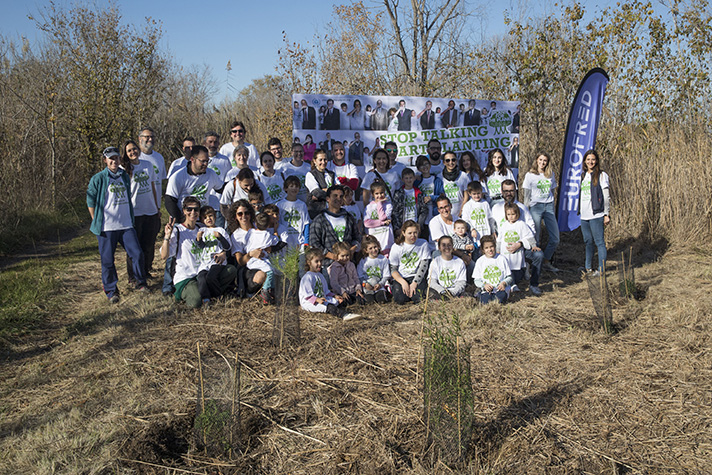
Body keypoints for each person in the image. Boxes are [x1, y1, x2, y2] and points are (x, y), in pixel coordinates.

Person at [87, 146, 148, 303]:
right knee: (107, 260)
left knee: (137, 254)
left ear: (120, 160)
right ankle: (111, 290)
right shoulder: (98, 178)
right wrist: (95, 219)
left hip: (126, 225)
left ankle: (140, 282)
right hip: (107, 227)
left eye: (116, 158)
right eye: (111, 158)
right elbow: (90, 199)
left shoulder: (124, 176)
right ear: (105, 160)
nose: (114, 161)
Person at [491, 180, 543, 295]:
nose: (509, 193)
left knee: (538, 255)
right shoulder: (496, 208)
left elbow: (531, 229)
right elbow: (492, 226)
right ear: (501, 192)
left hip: (521, 246)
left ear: (515, 191)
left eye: (511, 191)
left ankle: (534, 284)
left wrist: (520, 244)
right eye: (506, 191)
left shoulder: (522, 208)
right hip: (504, 249)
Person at [120, 139, 159, 284]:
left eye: (134, 149)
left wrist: (157, 207)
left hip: (150, 211)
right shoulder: (123, 169)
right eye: (129, 151)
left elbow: (153, 187)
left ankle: (145, 271)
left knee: (148, 244)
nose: (132, 152)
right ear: (125, 153)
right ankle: (133, 276)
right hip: (134, 213)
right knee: (134, 247)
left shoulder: (148, 165)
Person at [309, 185, 361, 274]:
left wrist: (352, 249)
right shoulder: (320, 219)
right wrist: (332, 256)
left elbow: (357, 237)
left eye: (341, 196)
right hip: (328, 266)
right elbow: (314, 243)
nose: (338, 199)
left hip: (348, 266)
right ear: (328, 199)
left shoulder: (349, 217)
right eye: (335, 196)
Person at [522, 152, 560, 272]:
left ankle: (546, 261)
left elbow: (552, 192)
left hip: (548, 207)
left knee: (555, 238)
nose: (542, 163)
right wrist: (526, 210)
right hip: (535, 206)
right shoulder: (530, 175)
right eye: (540, 160)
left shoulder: (550, 175)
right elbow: (526, 195)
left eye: (545, 161)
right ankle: (535, 265)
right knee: (536, 238)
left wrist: (552, 208)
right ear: (536, 161)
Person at [299, 247, 360, 320]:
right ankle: (344, 315)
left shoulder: (320, 275)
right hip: (310, 303)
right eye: (316, 261)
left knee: (339, 301)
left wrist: (335, 296)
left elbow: (326, 291)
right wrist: (317, 299)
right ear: (309, 263)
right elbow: (307, 295)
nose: (319, 263)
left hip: (322, 299)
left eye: (321, 261)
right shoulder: (307, 277)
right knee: (328, 307)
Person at [165, 145, 224, 217]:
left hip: (202, 219)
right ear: (192, 159)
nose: (206, 164)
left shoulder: (211, 174)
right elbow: (169, 201)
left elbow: (221, 188)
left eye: (207, 161)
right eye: (203, 161)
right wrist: (180, 220)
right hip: (185, 219)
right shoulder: (178, 176)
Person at [194, 206, 236, 307]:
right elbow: (201, 246)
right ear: (202, 220)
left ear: (215, 217)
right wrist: (199, 239)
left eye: (210, 216)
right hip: (205, 262)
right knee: (201, 278)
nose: (208, 219)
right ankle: (206, 298)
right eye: (205, 217)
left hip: (216, 260)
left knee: (211, 277)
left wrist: (220, 237)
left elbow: (227, 246)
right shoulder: (202, 230)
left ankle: (217, 295)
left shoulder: (220, 230)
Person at [579, 149, 610, 275]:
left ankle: (601, 269)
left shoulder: (602, 175)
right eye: (588, 159)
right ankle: (588, 268)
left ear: (596, 161)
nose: (590, 162)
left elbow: (606, 196)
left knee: (599, 242)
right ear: (585, 162)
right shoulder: (583, 176)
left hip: (596, 214)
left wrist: (606, 213)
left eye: (593, 159)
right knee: (588, 242)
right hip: (584, 215)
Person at [228, 200, 267, 298]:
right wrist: (251, 254)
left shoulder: (258, 226)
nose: (244, 216)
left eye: (247, 213)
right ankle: (250, 292)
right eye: (240, 214)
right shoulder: (236, 235)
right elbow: (240, 261)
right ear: (235, 216)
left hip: (267, 260)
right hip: (249, 267)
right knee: (261, 275)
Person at [498, 202, 538, 293]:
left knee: (516, 271)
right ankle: (512, 285)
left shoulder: (521, 224)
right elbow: (499, 239)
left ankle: (516, 281)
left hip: (516, 253)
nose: (511, 216)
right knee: (507, 269)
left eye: (513, 214)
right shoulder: (504, 225)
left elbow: (529, 235)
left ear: (517, 214)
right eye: (508, 214)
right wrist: (498, 250)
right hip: (505, 253)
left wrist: (534, 245)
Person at [389, 220, 431, 305]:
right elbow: (393, 269)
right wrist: (403, 282)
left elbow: (423, 265)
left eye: (415, 232)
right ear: (404, 233)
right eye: (410, 233)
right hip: (402, 277)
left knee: (419, 298)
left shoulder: (423, 244)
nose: (413, 236)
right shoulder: (396, 247)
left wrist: (415, 283)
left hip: (415, 276)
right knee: (400, 299)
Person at [244, 212, 282, 304]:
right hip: (258, 260)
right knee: (270, 271)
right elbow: (275, 241)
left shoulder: (250, 232)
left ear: (255, 223)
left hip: (250, 259)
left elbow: (246, 241)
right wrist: (275, 231)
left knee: (273, 269)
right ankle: (265, 290)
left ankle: (271, 290)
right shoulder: (267, 235)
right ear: (268, 225)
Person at [473, 234, 513, 304]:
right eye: (486, 248)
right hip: (486, 290)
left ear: (495, 246)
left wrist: (504, 283)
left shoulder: (502, 259)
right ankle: (480, 295)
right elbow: (477, 280)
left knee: (499, 300)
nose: (490, 250)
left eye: (491, 247)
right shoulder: (480, 261)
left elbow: (509, 277)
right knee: (485, 302)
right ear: (483, 250)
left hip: (500, 289)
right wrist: (484, 285)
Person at [392, 168, 429, 235]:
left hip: (415, 223)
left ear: (414, 178)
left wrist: (419, 224)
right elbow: (395, 211)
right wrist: (397, 227)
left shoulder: (419, 192)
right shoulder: (398, 193)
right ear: (402, 179)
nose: (409, 180)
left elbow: (423, 210)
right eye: (406, 178)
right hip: (403, 225)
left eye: (411, 178)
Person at [357, 235, 391, 303]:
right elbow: (360, 276)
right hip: (367, 287)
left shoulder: (383, 259)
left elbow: (386, 275)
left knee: (381, 299)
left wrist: (380, 284)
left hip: (379, 286)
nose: (374, 250)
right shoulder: (363, 261)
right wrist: (365, 284)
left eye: (375, 247)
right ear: (366, 250)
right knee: (370, 301)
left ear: (378, 246)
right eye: (370, 248)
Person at [363, 181, 394, 257]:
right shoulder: (369, 207)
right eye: (377, 193)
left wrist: (379, 203)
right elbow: (367, 223)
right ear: (372, 194)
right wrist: (382, 223)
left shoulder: (388, 205)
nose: (380, 195)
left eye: (382, 193)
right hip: (375, 236)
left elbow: (382, 217)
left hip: (386, 237)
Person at [438, 151, 470, 217]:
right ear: (444, 162)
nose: (451, 162)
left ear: (456, 161)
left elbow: (466, 197)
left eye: (453, 160)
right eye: (447, 160)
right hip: (446, 214)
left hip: (461, 214)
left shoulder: (463, 176)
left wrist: (460, 213)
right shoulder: (439, 177)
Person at [305, 149, 336, 218]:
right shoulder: (310, 175)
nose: (323, 162)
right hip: (316, 213)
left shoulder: (332, 174)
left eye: (325, 159)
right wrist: (333, 194)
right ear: (314, 161)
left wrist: (325, 190)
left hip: (331, 212)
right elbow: (317, 193)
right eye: (320, 160)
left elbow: (339, 189)